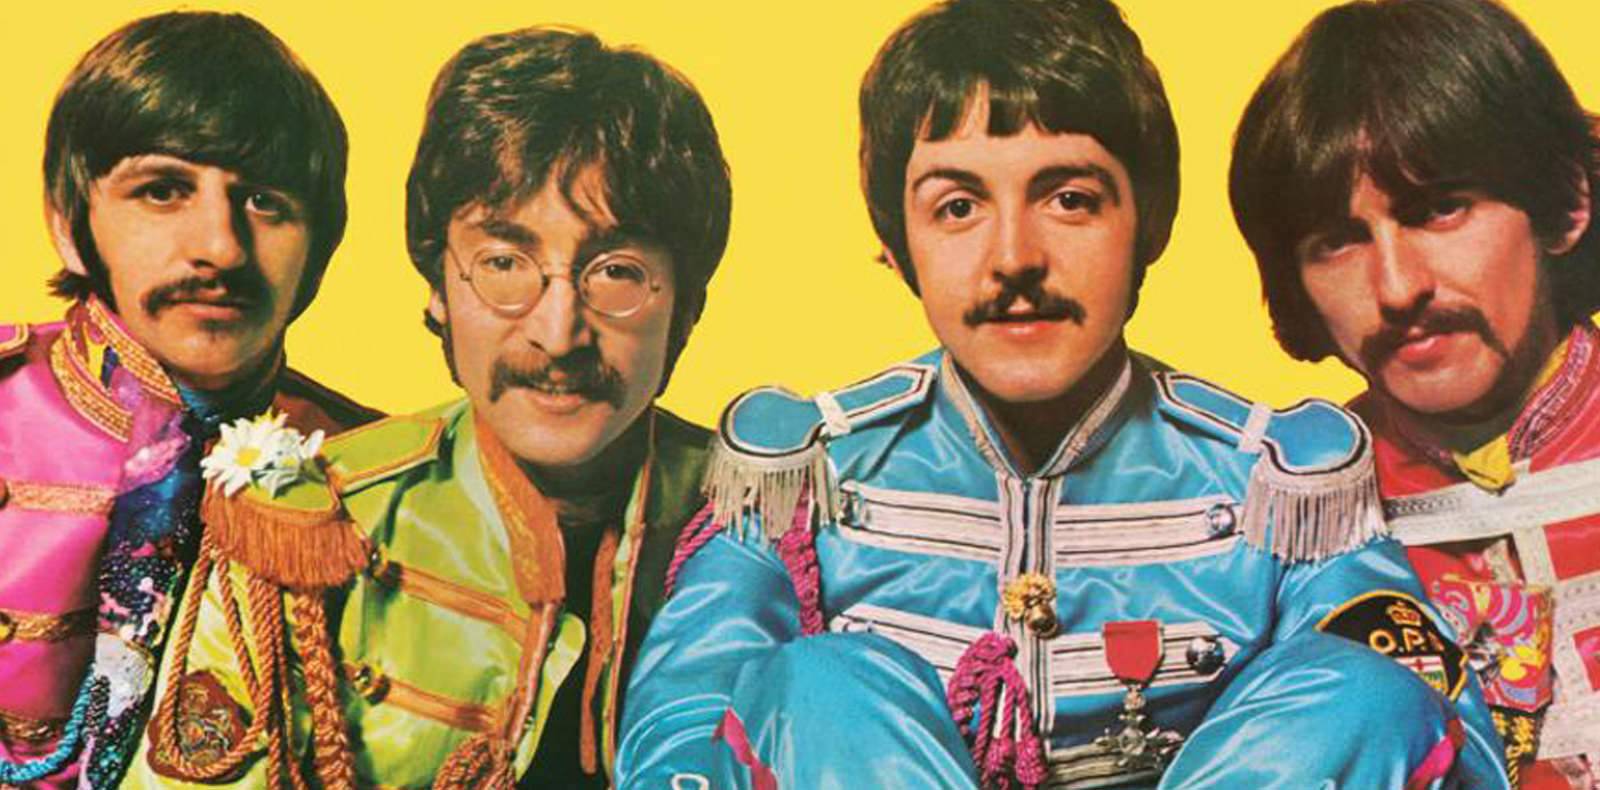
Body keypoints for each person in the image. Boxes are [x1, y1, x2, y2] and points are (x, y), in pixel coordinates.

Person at [617, 0, 1509, 788]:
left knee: (1362, 689)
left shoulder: (1281, 480)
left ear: (1149, 222)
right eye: (958, 207)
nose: (1015, 259)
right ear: (897, 242)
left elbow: (1434, 725)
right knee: (819, 684)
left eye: (1070, 199)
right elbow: (685, 722)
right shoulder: (800, 470)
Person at [122, 25, 731, 789]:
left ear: (687, 307)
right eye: (504, 263)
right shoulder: (309, 522)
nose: (558, 334)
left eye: (617, 272)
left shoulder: (779, 530)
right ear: (439, 288)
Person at [0, 13, 378, 788]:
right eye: (163, 190)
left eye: (266, 202)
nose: (222, 247)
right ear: (69, 224)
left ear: (321, 246)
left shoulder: (378, 477)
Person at [1230, 0, 1600, 785]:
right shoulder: (1296, 512)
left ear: (1567, 205)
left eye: (1439, 209)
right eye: (1338, 240)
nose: (1397, 289)